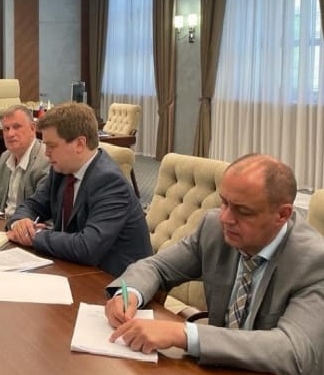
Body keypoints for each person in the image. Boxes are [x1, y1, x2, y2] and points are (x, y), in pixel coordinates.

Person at [104, 154, 324, 375]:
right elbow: (156, 267)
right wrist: (129, 294)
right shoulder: (214, 228)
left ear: (282, 215)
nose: (225, 218)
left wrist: (184, 334)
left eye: (243, 211)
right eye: (224, 202)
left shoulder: (314, 262)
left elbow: (294, 350)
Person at [6, 101, 151, 277]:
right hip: (73, 267)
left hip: (114, 280)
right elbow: (33, 205)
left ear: (80, 144)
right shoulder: (61, 169)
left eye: (52, 146)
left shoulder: (109, 182)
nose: (46, 153)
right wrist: (21, 222)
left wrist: (34, 235)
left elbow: (87, 247)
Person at [0, 104, 49, 216]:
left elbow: (42, 209)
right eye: (6, 129)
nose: (10, 134)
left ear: (32, 128)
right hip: (2, 221)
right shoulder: (5, 157)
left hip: (25, 223)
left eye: (16, 127)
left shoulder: (45, 160)